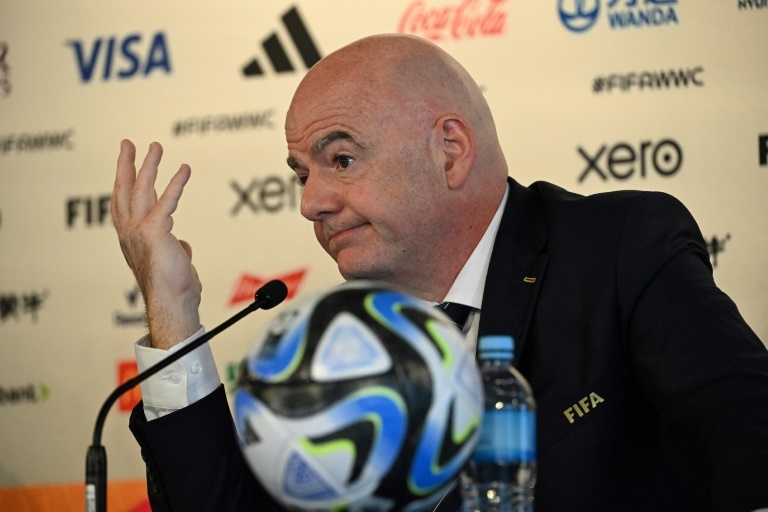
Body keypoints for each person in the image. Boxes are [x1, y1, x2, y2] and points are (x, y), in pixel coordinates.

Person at [111, 34, 768, 512]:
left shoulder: (617, 250)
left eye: (339, 160)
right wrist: (172, 311)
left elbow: (744, 430)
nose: (309, 201)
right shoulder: (340, 344)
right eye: (301, 174)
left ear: (450, 151)